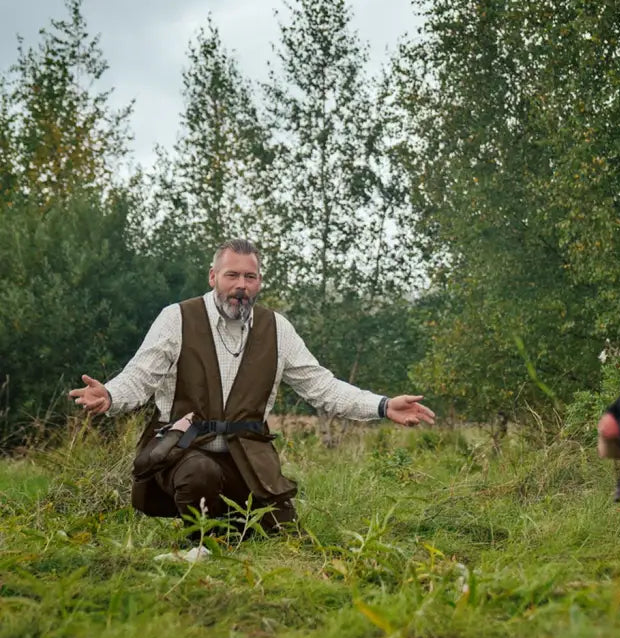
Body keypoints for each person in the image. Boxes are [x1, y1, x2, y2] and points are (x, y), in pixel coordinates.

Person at [69, 237, 435, 556]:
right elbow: (141, 375)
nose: (240, 285)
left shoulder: (278, 328)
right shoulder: (176, 318)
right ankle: (199, 544)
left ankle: (226, 531)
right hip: (181, 454)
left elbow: (321, 386)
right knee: (200, 474)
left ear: (259, 282)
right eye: (232, 275)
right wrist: (111, 395)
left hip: (246, 459)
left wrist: (383, 406)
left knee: (283, 537)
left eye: (250, 276)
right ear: (213, 277)